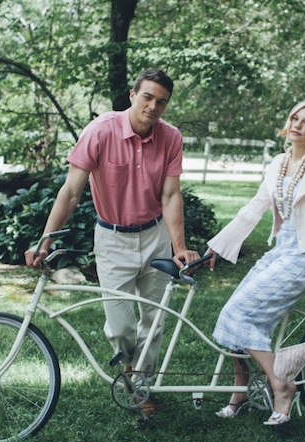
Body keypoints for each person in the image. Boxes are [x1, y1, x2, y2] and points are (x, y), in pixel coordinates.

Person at [25, 69, 200, 404]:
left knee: (155, 321)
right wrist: (44, 241)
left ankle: (142, 389)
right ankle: (131, 369)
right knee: (121, 327)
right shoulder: (100, 131)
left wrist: (178, 246)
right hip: (112, 239)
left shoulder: (171, 137)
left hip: (155, 236)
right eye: (147, 97)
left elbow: (171, 195)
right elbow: (71, 192)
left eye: (161, 102)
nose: (153, 106)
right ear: (133, 95)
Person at [205, 100, 305, 425]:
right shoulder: (278, 163)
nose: (297, 125)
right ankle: (240, 393)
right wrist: (218, 246)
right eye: (295, 118)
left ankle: (281, 387)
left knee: (242, 317)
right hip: (281, 251)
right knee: (230, 316)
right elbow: (255, 207)